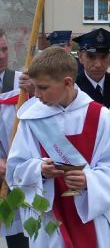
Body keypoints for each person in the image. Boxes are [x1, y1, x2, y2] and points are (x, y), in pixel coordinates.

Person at [6, 47, 110, 248]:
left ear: (67, 82)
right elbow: (14, 171)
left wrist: (89, 180)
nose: (36, 94)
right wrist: (39, 170)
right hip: (49, 218)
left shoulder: (100, 116)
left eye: (43, 87)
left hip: (91, 216)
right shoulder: (31, 118)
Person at [0, 30, 29, 247]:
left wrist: (35, 91)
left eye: (4, 49)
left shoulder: (22, 83)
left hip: (15, 177)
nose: (1, 55)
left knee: (19, 238)